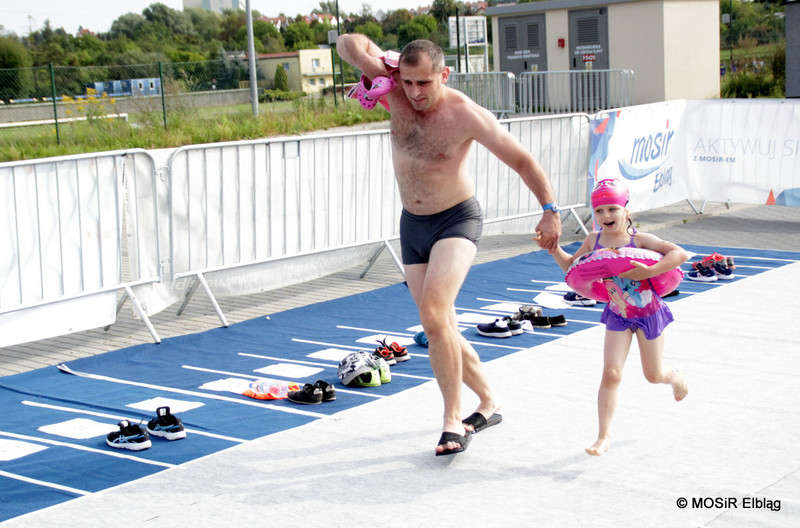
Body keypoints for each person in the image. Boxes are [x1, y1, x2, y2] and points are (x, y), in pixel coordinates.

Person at [336, 35, 562, 456]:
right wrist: (377, 62)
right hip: (412, 225)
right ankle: (489, 401)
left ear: (445, 75)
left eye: (425, 82)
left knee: (434, 314)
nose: (415, 92)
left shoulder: (464, 114)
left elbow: (523, 160)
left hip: (456, 220)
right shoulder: (394, 90)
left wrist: (550, 210)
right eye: (408, 82)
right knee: (441, 327)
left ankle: (451, 421)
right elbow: (347, 43)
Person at [548, 178, 689, 456]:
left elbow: (679, 254)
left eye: (612, 208)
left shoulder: (640, 240)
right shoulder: (593, 240)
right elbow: (572, 267)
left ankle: (675, 378)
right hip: (617, 314)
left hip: (649, 313)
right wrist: (554, 249)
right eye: (599, 211)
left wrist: (650, 271)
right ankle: (603, 437)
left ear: (625, 208)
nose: (606, 216)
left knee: (653, 375)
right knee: (611, 373)